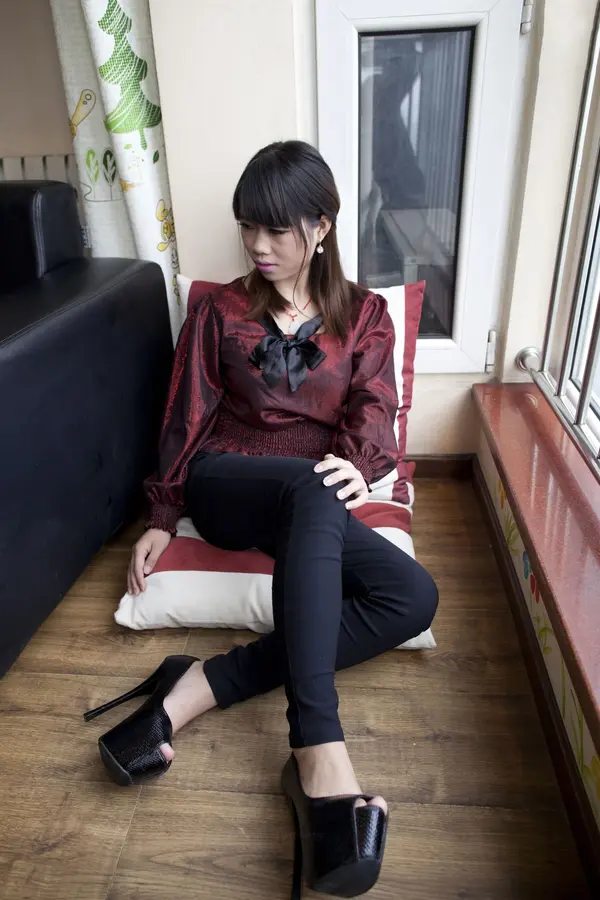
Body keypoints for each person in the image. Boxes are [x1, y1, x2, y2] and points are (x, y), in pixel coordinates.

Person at [84, 140, 438, 898]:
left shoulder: (366, 316)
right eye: (248, 226)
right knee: (314, 487)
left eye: (276, 229)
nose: (257, 244)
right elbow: (185, 413)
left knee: (413, 596)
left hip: (310, 500)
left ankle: (196, 686)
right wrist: (163, 511)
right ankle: (318, 752)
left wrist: (360, 461)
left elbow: (375, 409)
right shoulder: (219, 310)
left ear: (322, 226)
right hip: (227, 481)